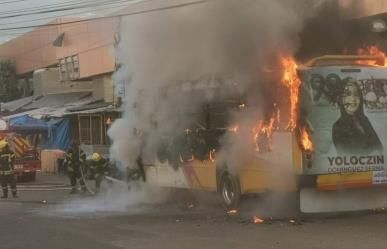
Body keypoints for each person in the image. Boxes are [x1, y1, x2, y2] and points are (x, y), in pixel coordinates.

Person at [332, 78, 383, 155]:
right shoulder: (338, 126)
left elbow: (378, 146)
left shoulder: (364, 120)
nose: (353, 99)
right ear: (340, 99)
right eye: (348, 94)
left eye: (356, 94)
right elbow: (346, 155)